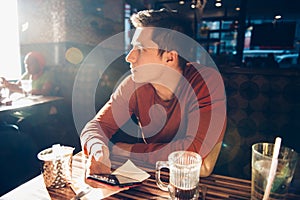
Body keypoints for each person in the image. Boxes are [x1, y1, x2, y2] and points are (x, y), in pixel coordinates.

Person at [81, 9, 227, 177]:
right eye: (132, 48)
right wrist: (99, 151)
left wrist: (130, 151)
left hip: (199, 186)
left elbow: (194, 155)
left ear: (170, 58)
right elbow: (95, 127)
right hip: (153, 177)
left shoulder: (205, 81)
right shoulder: (133, 84)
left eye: (141, 49)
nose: (129, 57)